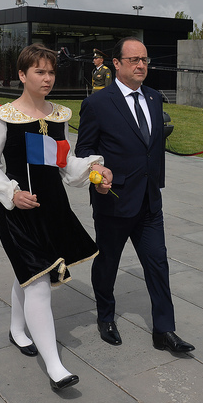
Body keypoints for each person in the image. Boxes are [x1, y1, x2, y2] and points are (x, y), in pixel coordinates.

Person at [0, 43, 112, 391]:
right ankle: (55, 367)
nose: (47, 78)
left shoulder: (59, 116)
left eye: (51, 71)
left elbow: (63, 164)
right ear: (22, 75)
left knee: (28, 274)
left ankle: (17, 330)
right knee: (38, 284)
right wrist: (12, 192)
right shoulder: (3, 117)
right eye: (39, 71)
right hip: (18, 214)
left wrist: (94, 168)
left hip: (54, 210)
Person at [75, 37, 195, 354]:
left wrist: (157, 183)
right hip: (114, 201)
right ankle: (105, 317)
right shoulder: (98, 104)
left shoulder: (154, 98)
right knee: (107, 264)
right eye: (134, 60)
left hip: (149, 202)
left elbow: (152, 149)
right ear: (117, 63)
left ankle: (164, 330)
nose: (141, 65)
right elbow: (84, 152)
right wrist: (97, 176)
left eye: (145, 59)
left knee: (158, 264)